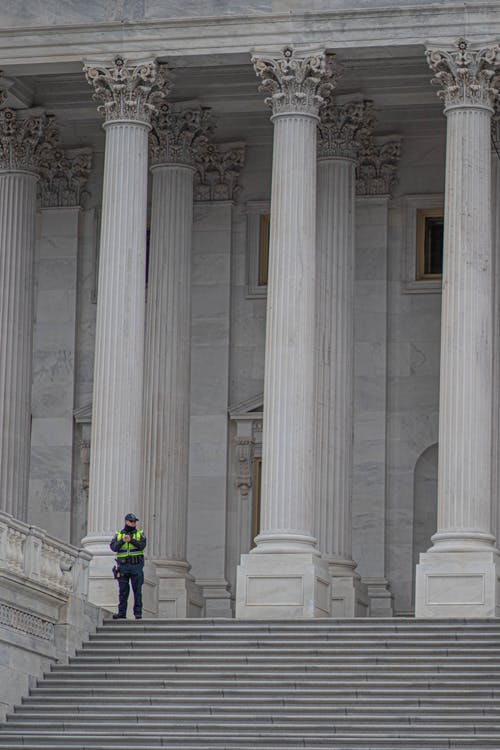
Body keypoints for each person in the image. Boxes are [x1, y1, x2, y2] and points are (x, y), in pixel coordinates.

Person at [110, 513, 147, 620]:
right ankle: (121, 613)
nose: (133, 523)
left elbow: (142, 545)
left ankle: (138, 613)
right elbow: (113, 547)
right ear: (126, 522)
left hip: (136, 566)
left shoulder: (140, 534)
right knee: (123, 591)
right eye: (131, 521)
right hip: (123, 566)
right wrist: (123, 540)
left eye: (134, 521)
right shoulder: (119, 534)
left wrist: (131, 540)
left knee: (137, 591)